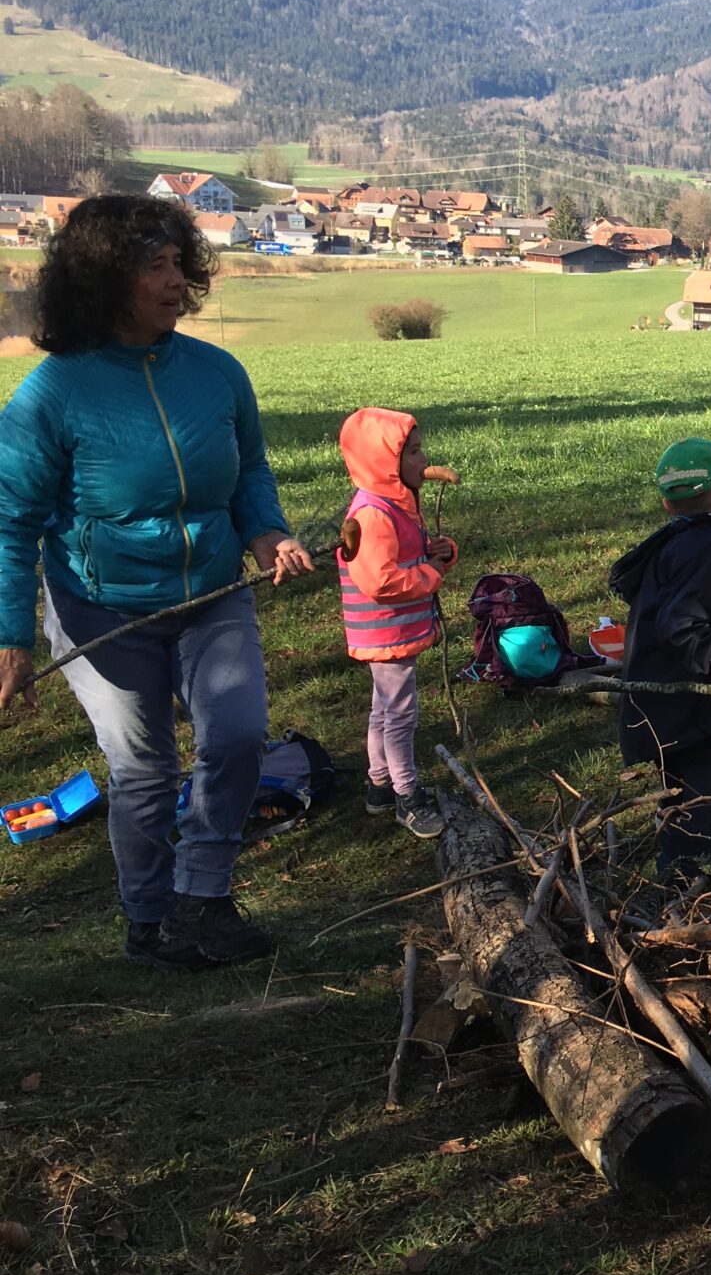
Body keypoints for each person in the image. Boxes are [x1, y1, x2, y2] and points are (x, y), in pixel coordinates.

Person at [0, 195, 315, 971]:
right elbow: (9, 522)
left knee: (238, 736)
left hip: (211, 595)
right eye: (155, 266)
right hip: (101, 611)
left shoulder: (216, 373)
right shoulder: (52, 395)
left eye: (179, 262)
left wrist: (267, 530)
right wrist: (9, 636)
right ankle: (149, 918)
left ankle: (203, 894)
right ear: (105, 280)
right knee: (144, 770)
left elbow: (247, 471)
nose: (178, 281)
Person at [608, 438, 711, 875]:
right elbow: (679, 624)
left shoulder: (685, 541)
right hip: (689, 719)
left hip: (699, 716)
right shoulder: (708, 548)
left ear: (666, 503)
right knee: (697, 821)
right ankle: (682, 902)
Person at [337, 407, 458, 840]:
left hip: (393, 629)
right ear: (384, 461)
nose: (424, 460)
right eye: (414, 452)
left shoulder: (395, 503)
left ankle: (378, 785)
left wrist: (440, 551)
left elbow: (409, 553)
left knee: (383, 709)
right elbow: (381, 580)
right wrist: (433, 575)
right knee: (402, 714)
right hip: (387, 629)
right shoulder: (373, 515)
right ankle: (407, 796)